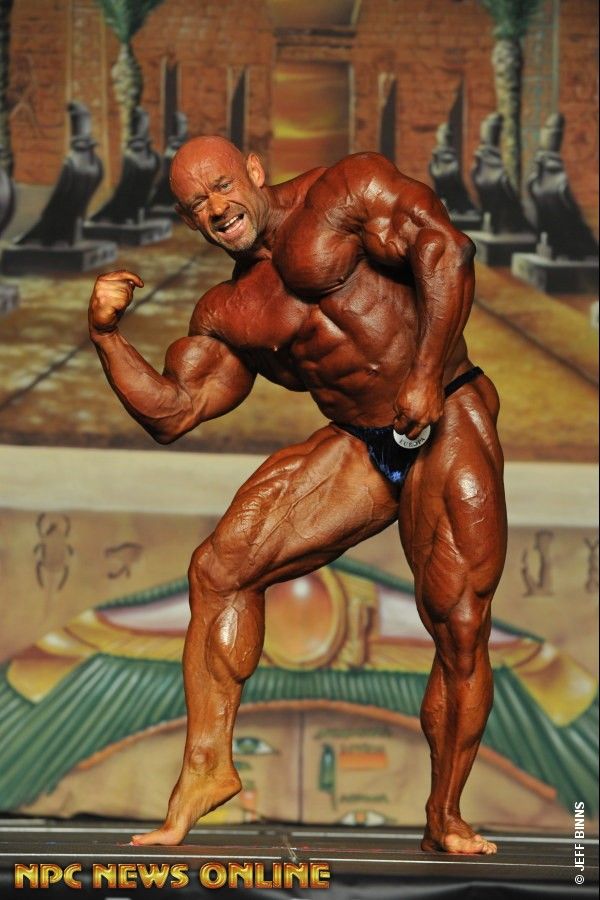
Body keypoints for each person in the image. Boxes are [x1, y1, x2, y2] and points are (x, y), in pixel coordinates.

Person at [88, 136, 507, 854]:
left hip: (445, 411)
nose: (217, 209)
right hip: (363, 441)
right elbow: (173, 411)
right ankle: (208, 767)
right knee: (220, 569)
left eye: (223, 186)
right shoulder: (228, 309)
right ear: (189, 221)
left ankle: (445, 814)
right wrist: (105, 335)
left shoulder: (344, 191)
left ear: (253, 170)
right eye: (198, 204)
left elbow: (446, 250)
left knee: (458, 624)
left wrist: (425, 374)